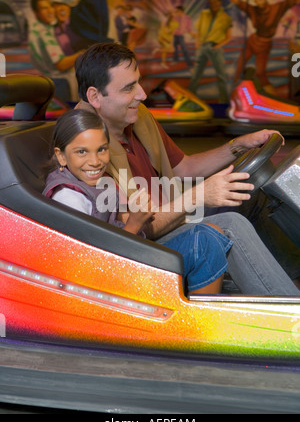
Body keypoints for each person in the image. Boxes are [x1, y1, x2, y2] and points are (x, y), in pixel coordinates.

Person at [73, 41, 300, 295]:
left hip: (170, 211)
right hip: (141, 245)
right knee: (230, 224)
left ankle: (290, 285)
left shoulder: (137, 120)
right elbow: (137, 228)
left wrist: (236, 146)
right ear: (95, 97)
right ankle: (292, 314)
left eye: (138, 82)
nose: (142, 94)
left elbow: (184, 168)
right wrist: (199, 195)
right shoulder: (85, 147)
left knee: (247, 192)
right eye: (128, 88)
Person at [43, 109, 233, 295]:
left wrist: (137, 215)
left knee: (212, 232)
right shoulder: (69, 198)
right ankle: (199, 324)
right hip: (110, 283)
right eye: (82, 152)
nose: (95, 161)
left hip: (127, 257)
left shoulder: (92, 181)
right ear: (61, 156)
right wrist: (134, 224)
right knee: (205, 243)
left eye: (101, 150)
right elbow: (91, 269)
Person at [221, 0, 300, 94]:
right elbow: (238, 2)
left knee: (261, 74)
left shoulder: (276, 8)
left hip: (265, 45)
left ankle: (274, 102)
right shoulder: (253, 10)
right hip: (252, 41)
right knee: (239, 66)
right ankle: (235, 94)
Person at [28, 0, 84, 101]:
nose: (50, 11)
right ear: (36, 12)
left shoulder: (38, 29)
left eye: (51, 6)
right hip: (59, 84)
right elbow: (61, 64)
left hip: (51, 82)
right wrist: (84, 53)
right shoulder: (44, 33)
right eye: (44, 8)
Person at [188, 0, 232, 103]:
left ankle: (223, 101)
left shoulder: (226, 18)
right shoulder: (204, 14)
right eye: (211, 2)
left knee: (221, 74)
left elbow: (228, 37)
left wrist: (218, 46)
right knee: (196, 74)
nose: (214, 4)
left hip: (215, 46)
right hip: (203, 46)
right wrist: (197, 44)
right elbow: (198, 30)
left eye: (216, 2)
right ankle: (190, 98)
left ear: (220, 2)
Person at [172, 5, 195, 70]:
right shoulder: (175, 17)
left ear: (181, 11)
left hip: (181, 36)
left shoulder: (187, 18)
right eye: (175, 11)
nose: (176, 12)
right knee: (174, 49)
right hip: (174, 36)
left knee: (185, 50)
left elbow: (189, 28)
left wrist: (193, 34)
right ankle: (175, 60)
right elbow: (170, 25)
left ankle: (190, 64)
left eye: (177, 11)